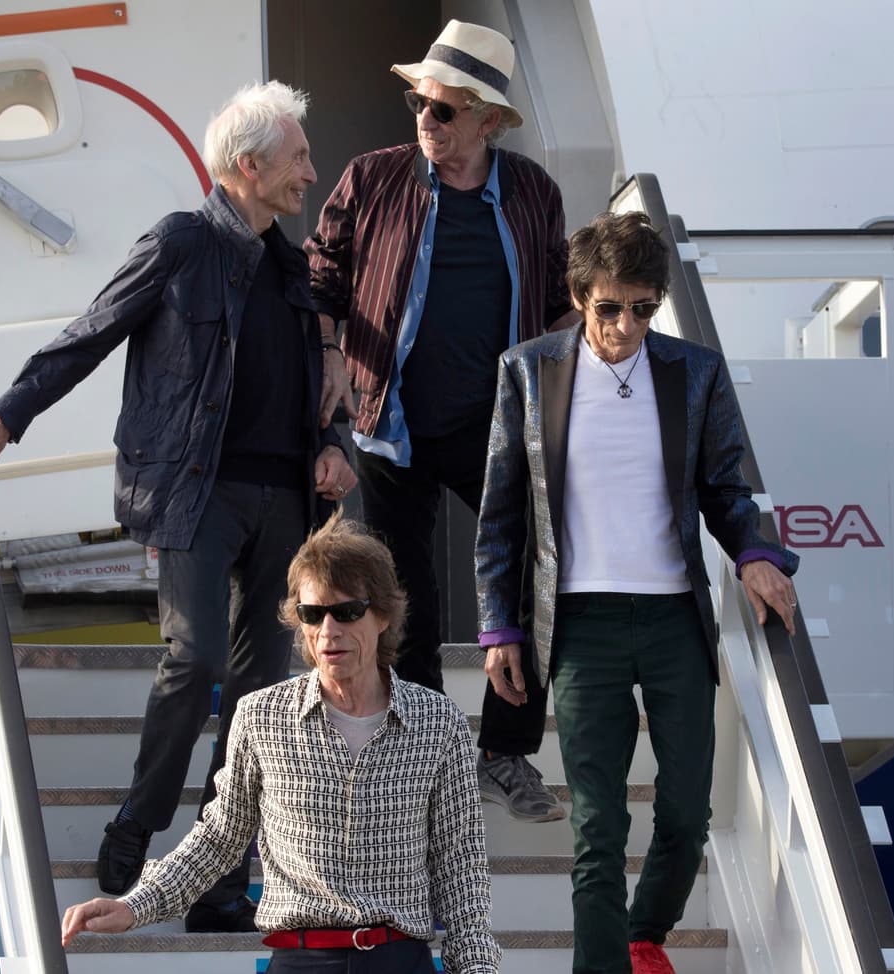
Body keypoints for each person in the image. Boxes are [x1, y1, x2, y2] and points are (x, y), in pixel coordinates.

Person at [0, 80, 356, 933]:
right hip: (194, 493)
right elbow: (90, 333)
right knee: (196, 658)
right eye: (298, 158)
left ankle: (218, 879)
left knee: (259, 696)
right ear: (249, 166)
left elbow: (322, 390)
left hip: (283, 500)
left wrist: (335, 446)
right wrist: (5, 419)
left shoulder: (293, 268)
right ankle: (139, 818)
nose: (311, 174)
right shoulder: (179, 243)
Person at [474, 211, 799, 974]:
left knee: (686, 814)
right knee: (599, 828)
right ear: (579, 296)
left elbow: (725, 486)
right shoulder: (528, 370)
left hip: (673, 619)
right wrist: (499, 628)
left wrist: (754, 553)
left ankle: (643, 933)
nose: (627, 325)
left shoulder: (695, 371)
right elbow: (502, 511)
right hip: (579, 624)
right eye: (610, 307)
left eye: (645, 308)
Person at [306, 19, 572, 823]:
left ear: (488, 121)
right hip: (389, 423)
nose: (427, 118)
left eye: (445, 109)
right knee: (403, 597)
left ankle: (505, 752)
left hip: (496, 427)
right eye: (420, 102)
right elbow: (320, 271)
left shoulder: (533, 192)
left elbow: (561, 297)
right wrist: (329, 354)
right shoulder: (373, 176)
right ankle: (423, 754)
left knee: (533, 575)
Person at [60, 514, 500, 974]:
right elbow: (218, 839)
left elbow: (461, 868)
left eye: (347, 611)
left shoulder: (437, 722)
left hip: (399, 958)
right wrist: (135, 905)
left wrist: (477, 967)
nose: (328, 631)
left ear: (383, 615)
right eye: (313, 614)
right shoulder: (261, 716)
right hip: (299, 958)